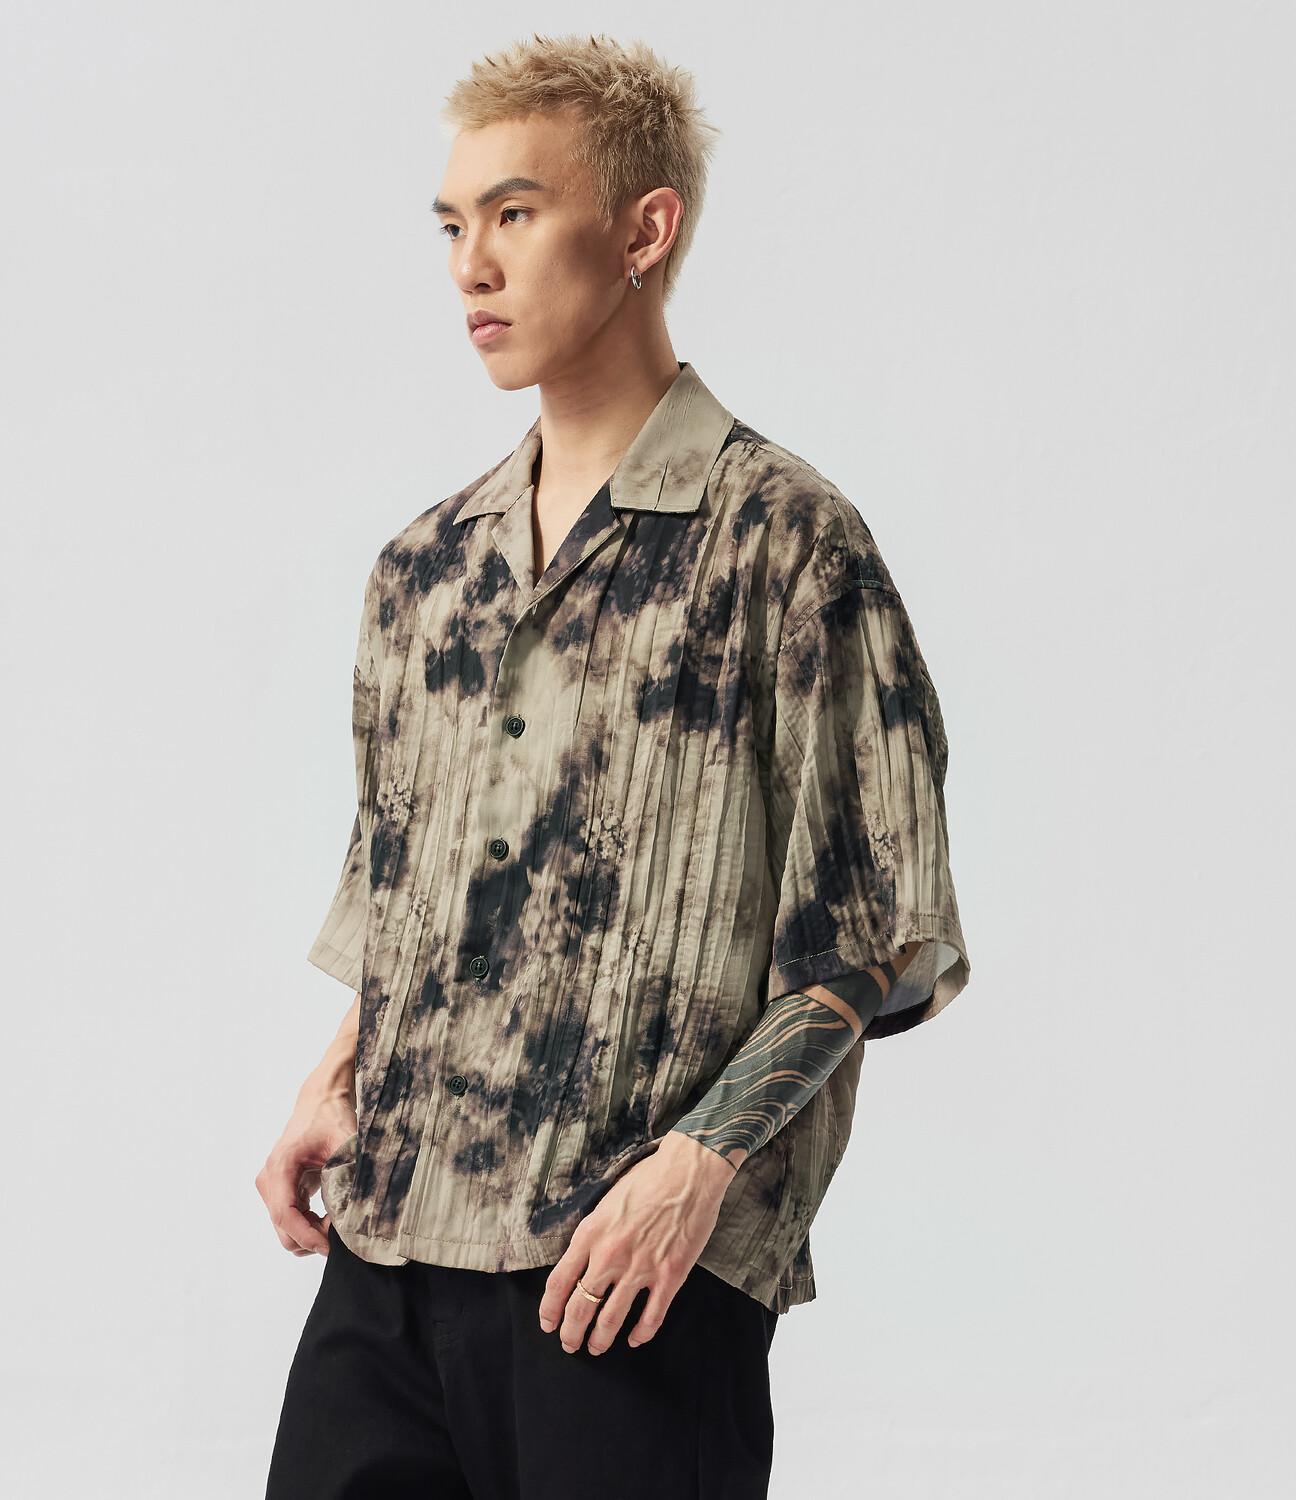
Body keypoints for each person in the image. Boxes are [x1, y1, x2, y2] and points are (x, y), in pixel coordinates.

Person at [259, 31, 971, 1500]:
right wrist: (338, 1071)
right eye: (452, 226)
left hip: (624, 1278)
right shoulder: (423, 571)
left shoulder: (787, 544)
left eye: (514, 214)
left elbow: (873, 935)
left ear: (646, 230)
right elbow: (409, 889)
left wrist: (695, 1176)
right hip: (390, 1255)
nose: (471, 265)